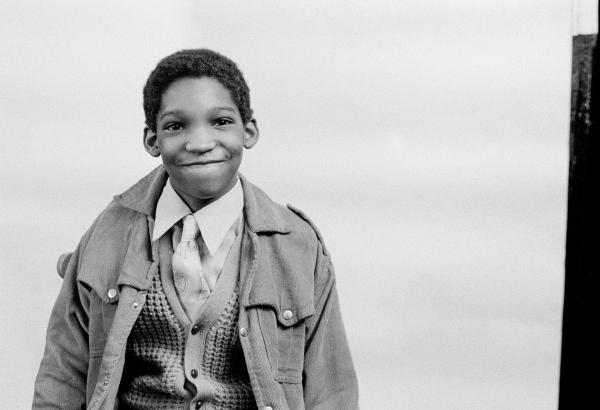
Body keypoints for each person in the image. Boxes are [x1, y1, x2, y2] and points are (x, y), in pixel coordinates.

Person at [33, 49, 358, 410]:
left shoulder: (297, 246)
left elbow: (331, 390)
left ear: (249, 131)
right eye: (176, 126)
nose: (201, 143)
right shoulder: (107, 238)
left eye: (220, 122)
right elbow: (62, 374)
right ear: (152, 140)